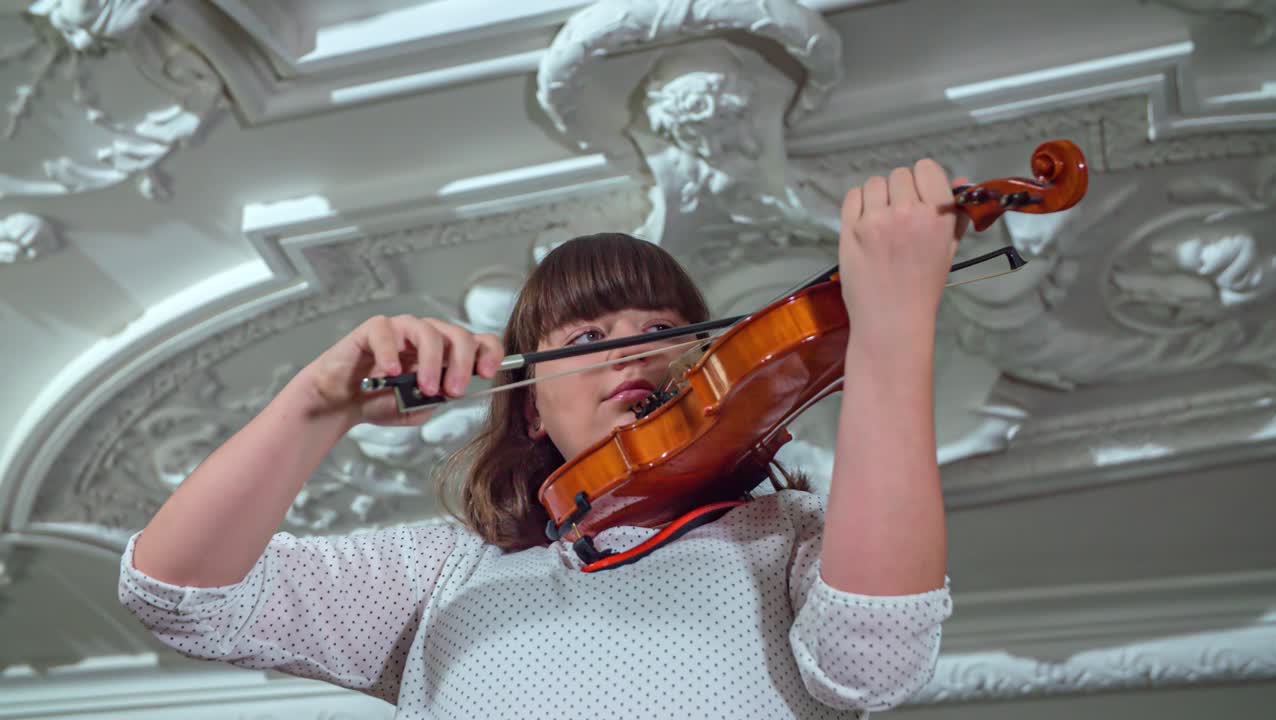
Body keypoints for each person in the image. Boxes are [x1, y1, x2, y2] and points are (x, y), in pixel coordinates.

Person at [119, 159, 965, 719]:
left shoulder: (790, 538)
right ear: (531, 409)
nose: (632, 350)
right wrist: (316, 404)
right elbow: (178, 593)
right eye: (587, 341)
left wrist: (890, 324)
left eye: (663, 328)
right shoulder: (446, 571)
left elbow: (874, 657)